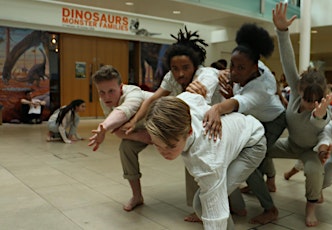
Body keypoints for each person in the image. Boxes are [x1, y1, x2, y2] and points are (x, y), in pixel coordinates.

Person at [117, 26, 221, 218]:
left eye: (185, 68)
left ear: (195, 66)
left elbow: (216, 75)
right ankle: (137, 195)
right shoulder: (170, 78)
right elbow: (152, 99)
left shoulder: (204, 75)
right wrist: (134, 121)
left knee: (193, 151)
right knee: (127, 145)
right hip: (174, 119)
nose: (180, 74)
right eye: (175, 68)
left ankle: (202, 208)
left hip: (206, 124)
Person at [202, 23, 286, 224]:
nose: (234, 71)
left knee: (249, 161)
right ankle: (266, 184)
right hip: (258, 118)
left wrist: (216, 109)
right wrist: (222, 73)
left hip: (274, 121)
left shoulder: (261, 89)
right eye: (232, 65)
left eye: (241, 68)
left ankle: (270, 208)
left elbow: (238, 102)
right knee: (253, 157)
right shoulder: (255, 63)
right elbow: (237, 90)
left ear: (254, 68)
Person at [145, 92, 266, 230]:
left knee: (201, 204)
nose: (163, 152)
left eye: (171, 146)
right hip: (234, 136)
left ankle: (242, 209)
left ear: (189, 131)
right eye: (156, 144)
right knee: (220, 180)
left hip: (252, 143)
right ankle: (239, 209)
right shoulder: (180, 104)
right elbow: (195, 97)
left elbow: (215, 216)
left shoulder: (207, 162)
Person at [269, 3, 332, 227]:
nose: (310, 105)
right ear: (298, 90)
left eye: (316, 101)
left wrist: (319, 115)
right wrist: (282, 31)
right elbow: (288, 60)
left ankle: (311, 207)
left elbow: (323, 128)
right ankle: (269, 182)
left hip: (310, 150)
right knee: (259, 149)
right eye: (307, 100)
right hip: (291, 144)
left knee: (314, 171)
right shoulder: (297, 88)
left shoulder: (323, 108)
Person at [88, 65, 154, 212]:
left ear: (121, 87)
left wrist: (103, 127)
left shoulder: (134, 93)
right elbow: (117, 131)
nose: (106, 97)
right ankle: (137, 196)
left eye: (111, 91)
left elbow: (123, 112)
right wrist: (141, 137)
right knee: (126, 148)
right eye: (102, 92)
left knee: (189, 151)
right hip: (143, 129)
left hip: (166, 123)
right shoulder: (104, 100)